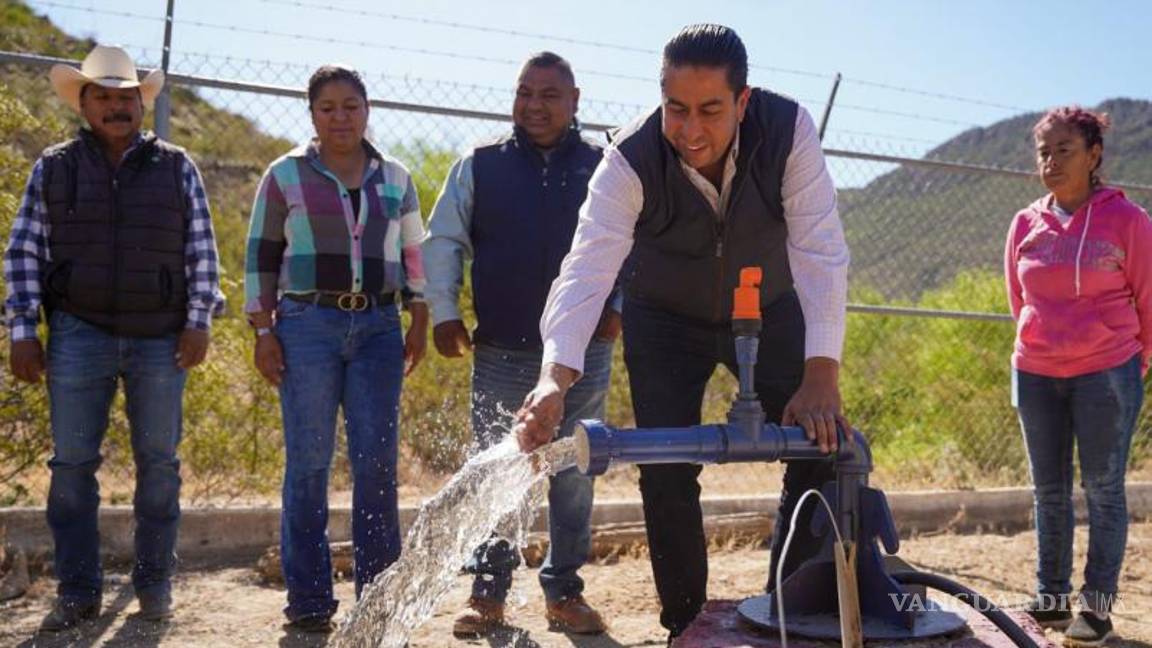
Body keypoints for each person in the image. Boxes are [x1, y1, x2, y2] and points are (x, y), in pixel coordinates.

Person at [514, 24, 850, 640]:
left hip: (772, 307)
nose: (691, 130)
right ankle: (687, 625)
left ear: (743, 101)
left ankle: (789, 615)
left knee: (821, 447)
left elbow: (820, 250)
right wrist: (554, 379)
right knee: (665, 467)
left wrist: (821, 372)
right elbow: (587, 268)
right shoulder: (630, 157)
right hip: (664, 316)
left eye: (710, 110)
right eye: (676, 108)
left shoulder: (788, 130)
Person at [3, 44, 224, 631]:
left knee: (160, 466)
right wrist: (23, 330)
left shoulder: (177, 166)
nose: (115, 106)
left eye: (125, 97)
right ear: (83, 104)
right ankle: (77, 592)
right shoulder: (54, 167)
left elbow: (202, 248)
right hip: (78, 333)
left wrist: (199, 320)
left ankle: (154, 585)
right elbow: (24, 251)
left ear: (141, 104)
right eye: (102, 96)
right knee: (72, 467)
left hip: (161, 338)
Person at [423, 51, 618, 637]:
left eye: (549, 95)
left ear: (575, 101)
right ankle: (487, 595)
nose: (534, 105)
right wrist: (445, 312)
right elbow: (443, 240)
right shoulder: (479, 165)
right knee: (496, 470)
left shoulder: (606, 166)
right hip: (502, 349)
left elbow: (634, 240)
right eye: (524, 93)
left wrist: (618, 307)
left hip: (583, 352)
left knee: (575, 471)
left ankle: (565, 592)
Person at [243, 65, 429, 633]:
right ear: (312, 114)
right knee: (308, 463)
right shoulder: (285, 175)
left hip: (378, 329)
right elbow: (260, 255)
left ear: (367, 110)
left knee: (376, 464)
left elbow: (413, 253)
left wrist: (420, 314)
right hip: (306, 327)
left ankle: (377, 599)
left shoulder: (395, 177)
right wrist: (263, 331)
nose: (340, 117)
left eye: (351, 106)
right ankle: (309, 602)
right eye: (328, 107)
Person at [1007, 106, 1151, 647]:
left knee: (1104, 491)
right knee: (1048, 491)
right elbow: (1018, 299)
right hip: (1035, 373)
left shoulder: (1129, 221)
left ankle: (1096, 611)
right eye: (1043, 151)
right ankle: (1050, 603)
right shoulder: (1024, 223)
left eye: (1064, 149)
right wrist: (1037, 342)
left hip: (1107, 373)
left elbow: (1148, 299)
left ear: (1094, 155)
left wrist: (1131, 363)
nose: (1051, 161)